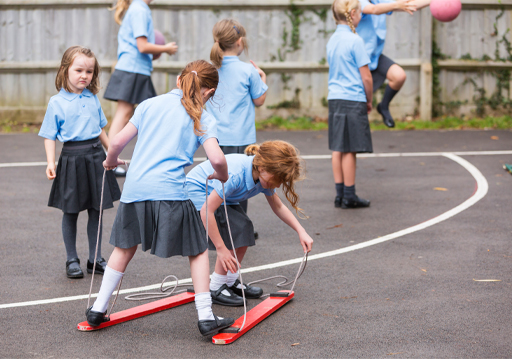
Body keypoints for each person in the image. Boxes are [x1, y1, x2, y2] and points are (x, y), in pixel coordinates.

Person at [85, 60, 237, 337]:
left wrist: (111, 161)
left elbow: (117, 142)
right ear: (209, 92)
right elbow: (217, 158)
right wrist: (222, 176)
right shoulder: (201, 116)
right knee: (199, 250)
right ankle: (205, 316)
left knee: (123, 248)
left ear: (179, 81)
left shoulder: (148, 105)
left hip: (135, 191)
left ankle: (97, 308)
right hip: (170, 192)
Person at [186, 141, 314, 306]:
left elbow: (278, 206)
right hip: (197, 194)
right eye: (277, 179)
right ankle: (216, 286)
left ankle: (230, 281)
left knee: (244, 227)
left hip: (220, 197)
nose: (279, 184)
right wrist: (221, 249)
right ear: (262, 168)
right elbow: (206, 211)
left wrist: (300, 231)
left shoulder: (264, 176)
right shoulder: (236, 175)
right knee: (232, 229)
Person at [39, 46, 121, 279]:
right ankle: (71, 259)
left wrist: (111, 154)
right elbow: (49, 135)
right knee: (71, 211)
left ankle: (94, 259)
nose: (84, 75)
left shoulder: (92, 98)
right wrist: (50, 161)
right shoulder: (56, 102)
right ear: (65, 70)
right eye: (79, 70)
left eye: (90, 71)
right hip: (72, 159)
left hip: (96, 158)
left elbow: (100, 130)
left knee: (97, 210)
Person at [206, 19, 268, 238]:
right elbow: (259, 100)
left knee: (219, 184)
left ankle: (219, 228)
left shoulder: (210, 70)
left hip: (216, 140)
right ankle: (239, 230)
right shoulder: (248, 71)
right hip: (243, 139)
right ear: (240, 42)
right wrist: (263, 78)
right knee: (242, 183)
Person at [105, 0, 178, 176]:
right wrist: (165, 48)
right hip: (132, 69)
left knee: (129, 113)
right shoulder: (139, 10)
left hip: (134, 68)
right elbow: (142, 46)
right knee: (129, 113)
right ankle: (110, 159)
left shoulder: (138, 9)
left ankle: (110, 158)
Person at [328, 0, 373, 209]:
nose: (362, 15)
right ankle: (350, 195)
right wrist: (369, 99)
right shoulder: (355, 40)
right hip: (353, 98)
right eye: (361, 12)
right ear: (352, 13)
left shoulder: (332, 40)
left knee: (338, 147)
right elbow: (366, 78)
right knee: (350, 149)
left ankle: (339, 194)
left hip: (335, 98)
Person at [356, 0, 431, 127]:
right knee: (359, 109)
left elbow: (409, 4)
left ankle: (383, 106)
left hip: (375, 57)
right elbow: (374, 10)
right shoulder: (357, 2)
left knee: (399, 76)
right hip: (359, 61)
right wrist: (396, 4)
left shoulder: (378, 1)